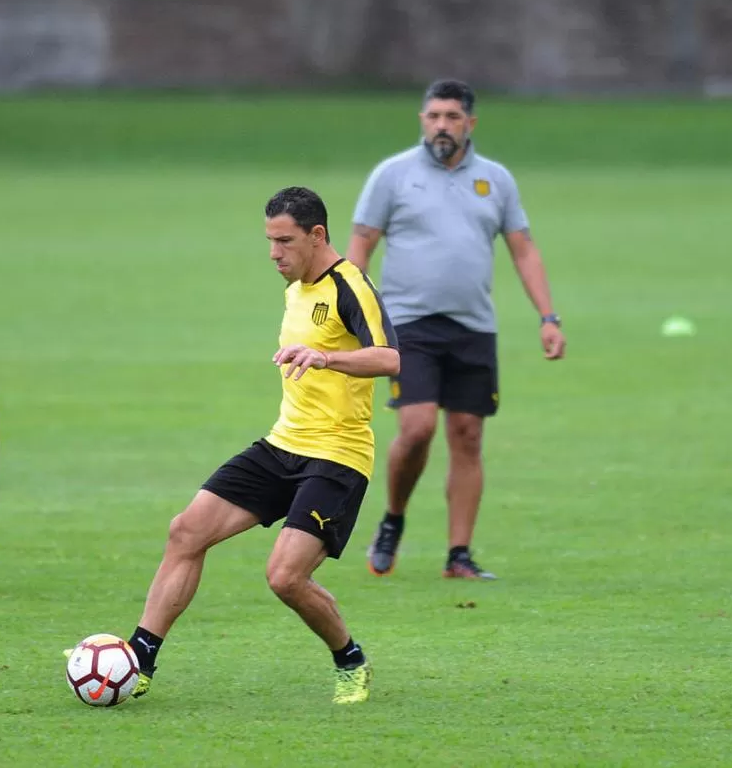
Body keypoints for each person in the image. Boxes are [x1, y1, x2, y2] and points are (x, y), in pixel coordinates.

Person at [82, 187, 399, 705]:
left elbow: (389, 359)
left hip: (337, 457)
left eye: (284, 241)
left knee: (285, 577)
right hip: (282, 445)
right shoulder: (296, 288)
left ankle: (350, 659)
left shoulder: (350, 286)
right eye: (269, 241)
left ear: (317, 235)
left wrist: (324, 358)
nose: (274, 252)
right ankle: (140, 660)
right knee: (186, 531)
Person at [348, 79, 566, 580]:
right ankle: (393, 519)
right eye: (432, 116)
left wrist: (548, 317)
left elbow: (524, 249)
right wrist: (359, 314)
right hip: (408, 323)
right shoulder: (393, 175)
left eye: (451, 116)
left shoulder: (496, 180)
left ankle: (458, 556)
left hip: (473, 325)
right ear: (422, 120)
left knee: (467, 436)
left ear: (470, 122)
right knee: (418, 427)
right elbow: (360, 245)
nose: (441, 125)